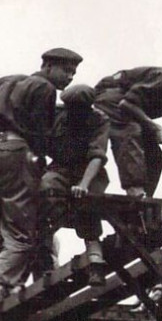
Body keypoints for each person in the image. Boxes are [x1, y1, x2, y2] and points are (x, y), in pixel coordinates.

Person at [0, 47, 83, 316]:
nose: (69, 77)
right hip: (16, 158)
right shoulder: (45, 89)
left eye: (73, 73)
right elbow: (39, 136)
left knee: (3, 216)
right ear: (47, 66)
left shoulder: (6, 81)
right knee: (24, 235)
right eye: (66, 71)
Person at [39, 84, 110, 286]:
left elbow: (97, 156)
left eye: (78, 109)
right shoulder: (57, 115)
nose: (72, 113)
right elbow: (28, 135)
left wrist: (84, 184)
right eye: (70, 108)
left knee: (88, 203)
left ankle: (95, 259)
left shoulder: (99, 119)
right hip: (60, 168)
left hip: (88, 169)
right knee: (45, 189)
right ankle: (44, 254)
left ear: (87, 108)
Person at [93, 66, 162, 197]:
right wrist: (156, 128)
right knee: (131, 131)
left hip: (134, 109)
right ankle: (134, 189)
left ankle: (145, 200)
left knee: (156, 156)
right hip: (112, 93)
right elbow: (126, 104)